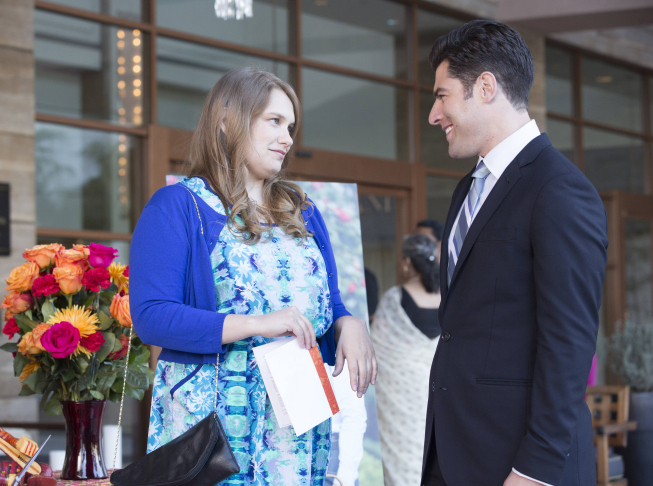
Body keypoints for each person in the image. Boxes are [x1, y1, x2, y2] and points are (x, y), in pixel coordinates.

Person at [129, 67, 377, 486]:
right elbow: (152, 316)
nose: (288, 138)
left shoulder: (304, 211)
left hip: (297, 424)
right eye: (274, 121)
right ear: (228, 121)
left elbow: (327, 302)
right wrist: (259, 324)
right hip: (213, 428)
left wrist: (347, 321)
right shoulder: (179, 206)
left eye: (292, 126)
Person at [422, 21, 607, 486]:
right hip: (456, 455)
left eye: (442, 96)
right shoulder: (468, 188)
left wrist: (534, 470)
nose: (433, 114)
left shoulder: (560, 190)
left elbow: (568, 343)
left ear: (485, 87)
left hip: (522, 467)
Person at [371, 234, 441, 486]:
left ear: (407, 262)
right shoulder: (447, 296)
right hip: (437, 383)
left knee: (402, 446)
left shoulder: (395, 297)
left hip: (400, 389)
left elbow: (377, 345)